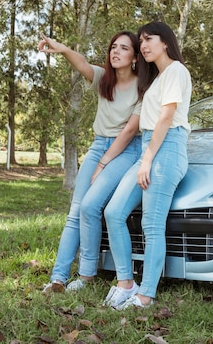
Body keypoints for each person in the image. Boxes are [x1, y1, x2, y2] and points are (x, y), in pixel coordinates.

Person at [38, 32, 143, 293]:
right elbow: (82, 64)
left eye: (124, 48)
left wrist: (103, 164)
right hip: (99, 145)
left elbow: (130, 131)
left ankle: (86, 277)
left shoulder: (144, 87)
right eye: (113, 47)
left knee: (90, 206)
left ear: (135, 57)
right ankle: (58, 279)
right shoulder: (104, 79)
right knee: (75, 212)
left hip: (127, 150)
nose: (116, 52)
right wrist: (62, 49)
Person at [102, 21, 191, 309]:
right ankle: (126, 283)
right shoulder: (158, 77)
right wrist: (146, 156)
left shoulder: (176, 70)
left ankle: (145, 295)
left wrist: (148, 159)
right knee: (114, 212)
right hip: (150, 148)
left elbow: (167, 117)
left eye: (149, 39)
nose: (144, 45)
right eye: (141, 40)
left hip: (165, 150)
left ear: (165, 42)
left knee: (152, 225)